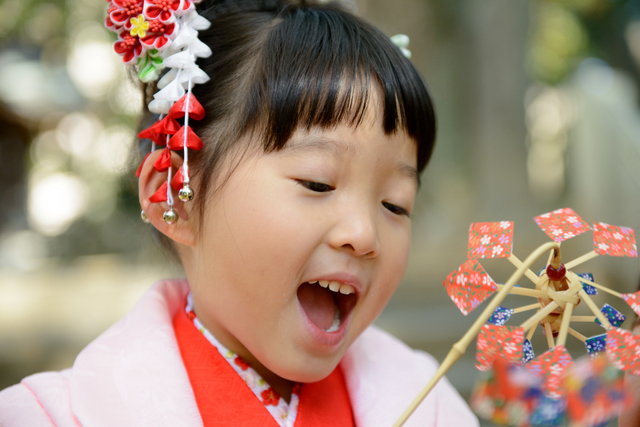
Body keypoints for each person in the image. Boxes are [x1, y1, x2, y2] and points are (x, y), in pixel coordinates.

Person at [0, 0, 478, 425]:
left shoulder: (424, 403)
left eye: (395, 204)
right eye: (318, 183)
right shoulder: (55, 415)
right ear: (176, 196)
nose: (364, 233)